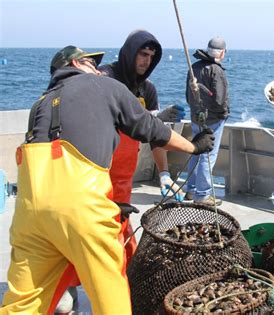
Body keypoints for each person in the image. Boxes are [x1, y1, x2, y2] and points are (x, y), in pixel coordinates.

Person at [1, 46, 214, 314]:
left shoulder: (40, 104)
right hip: (82, 212)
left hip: (28, 217)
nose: (97, 67)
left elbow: (54, 176)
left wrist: (106, 205)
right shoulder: (102, 85)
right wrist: (194, 147)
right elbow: (150, 127)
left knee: (22, 303)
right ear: (77, 64)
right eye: (92, 62)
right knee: (111, 297)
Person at [99, 30, 186, 206]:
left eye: (152, 57)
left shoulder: (147, 89)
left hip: (124, 173)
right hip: (96, 167)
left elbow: (155, 134)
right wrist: (150, 116)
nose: (147, 61)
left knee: (119, 223)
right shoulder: (104, 77)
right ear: (130, 52)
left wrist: (164, 174)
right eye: (143, 54)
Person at [185, 36, 229, 206]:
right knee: (208, 156)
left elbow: (188, 96)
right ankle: (202, 195)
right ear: (222, 53)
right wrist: (222, 113)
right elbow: (219, 100)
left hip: (196, 117)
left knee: (196, 151)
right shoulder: (216, 70)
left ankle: (191, 189)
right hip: (213, 120)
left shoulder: (194, 67)